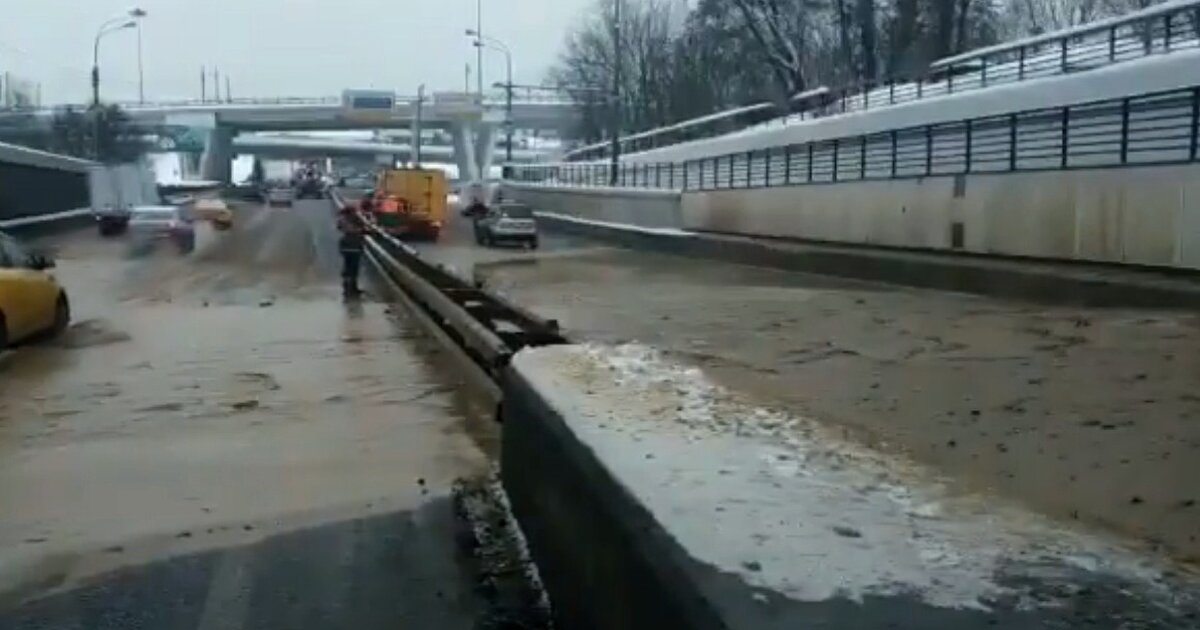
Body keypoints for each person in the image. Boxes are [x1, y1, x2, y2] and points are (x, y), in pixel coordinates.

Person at [337, 207, 365, 298]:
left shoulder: (341, 220)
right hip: (354, 245)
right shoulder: (354, 219)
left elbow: (340, 228)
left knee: (347, 266)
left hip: (345, 245)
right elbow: (357, 230)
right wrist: (362, 230)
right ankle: (352, 288)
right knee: (354, 268)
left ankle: (346, 287)